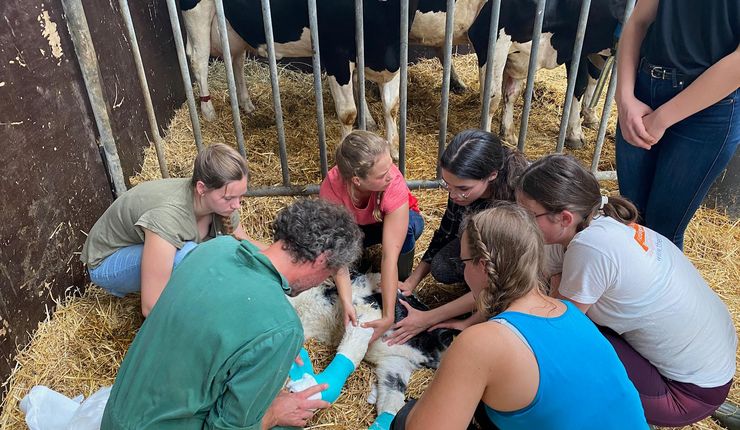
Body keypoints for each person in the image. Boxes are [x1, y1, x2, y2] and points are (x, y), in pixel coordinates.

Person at [516, 154, 738, 427]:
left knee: (562, 355)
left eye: (528, 215)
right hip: (712, 375)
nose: (522, 224)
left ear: (564, 217)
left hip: (683, 395)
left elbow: (558, 326)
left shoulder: (591, 247)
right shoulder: (602, 219)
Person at [100, 199, 363, 429]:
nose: (319, 283)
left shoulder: (215, 248)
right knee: (292, 417)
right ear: (320, 260)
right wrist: (272, 414)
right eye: (327, 274)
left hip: (117, 417)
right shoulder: (283, 327)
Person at [390, 203, 648, 429]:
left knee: (404, 419)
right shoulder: (571, 312)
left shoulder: (481, 342)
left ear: (482, 265)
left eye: (464, 263)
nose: (464, 271)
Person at [81, 143, 263, 316]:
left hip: (150, 248)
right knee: (190, 256)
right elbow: (151, 306)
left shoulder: (220, 203)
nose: (237, 205)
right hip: (107, 262)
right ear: (201, 188)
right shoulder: (169, 216)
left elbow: (243, 242)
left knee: (208, 254)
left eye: (241, 196)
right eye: (229, 198)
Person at [615, 0, 740, 250]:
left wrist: (663, 118)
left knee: (663, 232)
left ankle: (652, 289)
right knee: (631, 217)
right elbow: (638, 20)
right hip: (644, 89)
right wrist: (624, 97)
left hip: (708, 109)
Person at [389, 129, 529, 345]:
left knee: (500, 296)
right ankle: (472, 292)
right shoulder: (461, 192)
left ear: (492, 175)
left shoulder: (515, 199)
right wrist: (412, 281)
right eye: (447, 185)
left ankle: (476, 300)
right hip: (482, 253)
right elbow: (445, 233)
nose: (453, 195)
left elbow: (502, 280)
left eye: (463, 188)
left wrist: (428, 319)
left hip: (511, 267)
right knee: (442, 266)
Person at [319, 130, 424, 343]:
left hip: (386, 222)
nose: (392, 175)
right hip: (356, 227)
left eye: (390, 166)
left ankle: (401, 284)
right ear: (357, 180)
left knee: (409, 230)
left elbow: (388, 257)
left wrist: (388, 315)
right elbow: (337, 249)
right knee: (323, 245)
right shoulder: (331, 187)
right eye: (381, 174)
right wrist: (346, 301)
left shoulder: (393, 183)